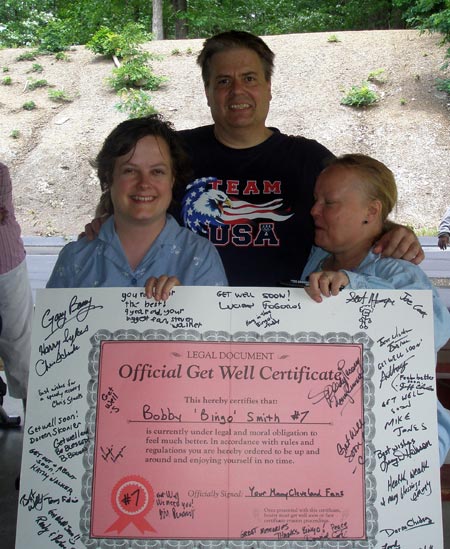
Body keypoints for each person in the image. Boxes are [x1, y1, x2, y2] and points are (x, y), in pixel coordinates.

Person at [88, 30, 423, 286]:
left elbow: (354, 206)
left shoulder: (306, 158)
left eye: (249, 78)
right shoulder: (173, 152)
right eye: (223, 81)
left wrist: (392, 232)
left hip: (286, 330)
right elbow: (126, 192)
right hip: (185, 324)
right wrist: (102, 222)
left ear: (268, 86)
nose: (237, 91)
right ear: (207, 92)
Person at [301, 153, 450, 464]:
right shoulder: (316, 259)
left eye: (329, 203)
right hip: (329, 434)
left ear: (372, 211)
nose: (314, 210)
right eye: (316, 200)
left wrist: (351, 288)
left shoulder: (401, 272)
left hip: (396, 446)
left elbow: (431, 330)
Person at [47, 115, 227, 295]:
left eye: (157, 171)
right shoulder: (75, 259)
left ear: (172, 179)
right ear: (108, 177)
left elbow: (218, 323)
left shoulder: (201, 256)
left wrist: (190, 307)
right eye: (130, 171)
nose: (144, 183)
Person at [0, 162, 33, 410]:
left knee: (20, 342)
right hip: (8, 264)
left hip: (7, 264)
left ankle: (32, 418)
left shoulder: (0, 172)